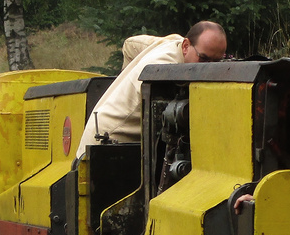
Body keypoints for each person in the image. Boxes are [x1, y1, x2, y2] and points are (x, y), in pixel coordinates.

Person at [79, 20, 227, 151]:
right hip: (107, 142)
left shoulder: (173, 41)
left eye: (217, 62)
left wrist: (125, 81)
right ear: (186, 46)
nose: (210, 68)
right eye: (204, 59)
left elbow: (129, 45)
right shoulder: (164, 69)